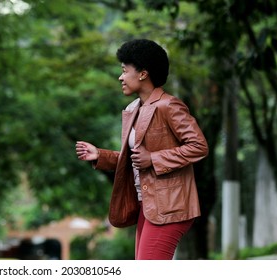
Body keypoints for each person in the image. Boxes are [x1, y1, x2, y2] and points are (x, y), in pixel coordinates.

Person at [75, 39, 208, 260]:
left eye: (124, 71)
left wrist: (154, 158)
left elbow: (199, 146)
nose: (120, 77)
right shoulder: (133, 109)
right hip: (147, 205)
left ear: (143, 74)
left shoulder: (169, 106)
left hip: (170, 207)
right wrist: (101, 155)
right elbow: (136, 160)